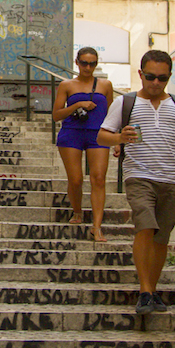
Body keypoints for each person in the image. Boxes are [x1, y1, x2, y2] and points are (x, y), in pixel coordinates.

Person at [97, 50, 175, 314]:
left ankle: (152, 289)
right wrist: (119, 139)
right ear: (140, 74)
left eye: (162, 78)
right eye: (150, 76)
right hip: (139, 176)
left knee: (162, 237)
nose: (155, 83)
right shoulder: (125, 103)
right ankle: (145, 290)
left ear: (169, 77)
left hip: (172, 178)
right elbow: (102, 136)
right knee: (145, 227)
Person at [52, 47, 113, 242]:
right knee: (76, 179)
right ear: (76, 62)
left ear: (96, 64)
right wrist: (77, 105)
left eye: (92, 63)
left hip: (98, 134)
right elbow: (56, 115)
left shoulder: (105, 85)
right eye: (84, 63)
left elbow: (112, 114)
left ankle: (97, 226)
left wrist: (117, 138)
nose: (88, 67)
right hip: (72, 133)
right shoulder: (67, 85)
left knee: (98, 178)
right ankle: (77, 211)